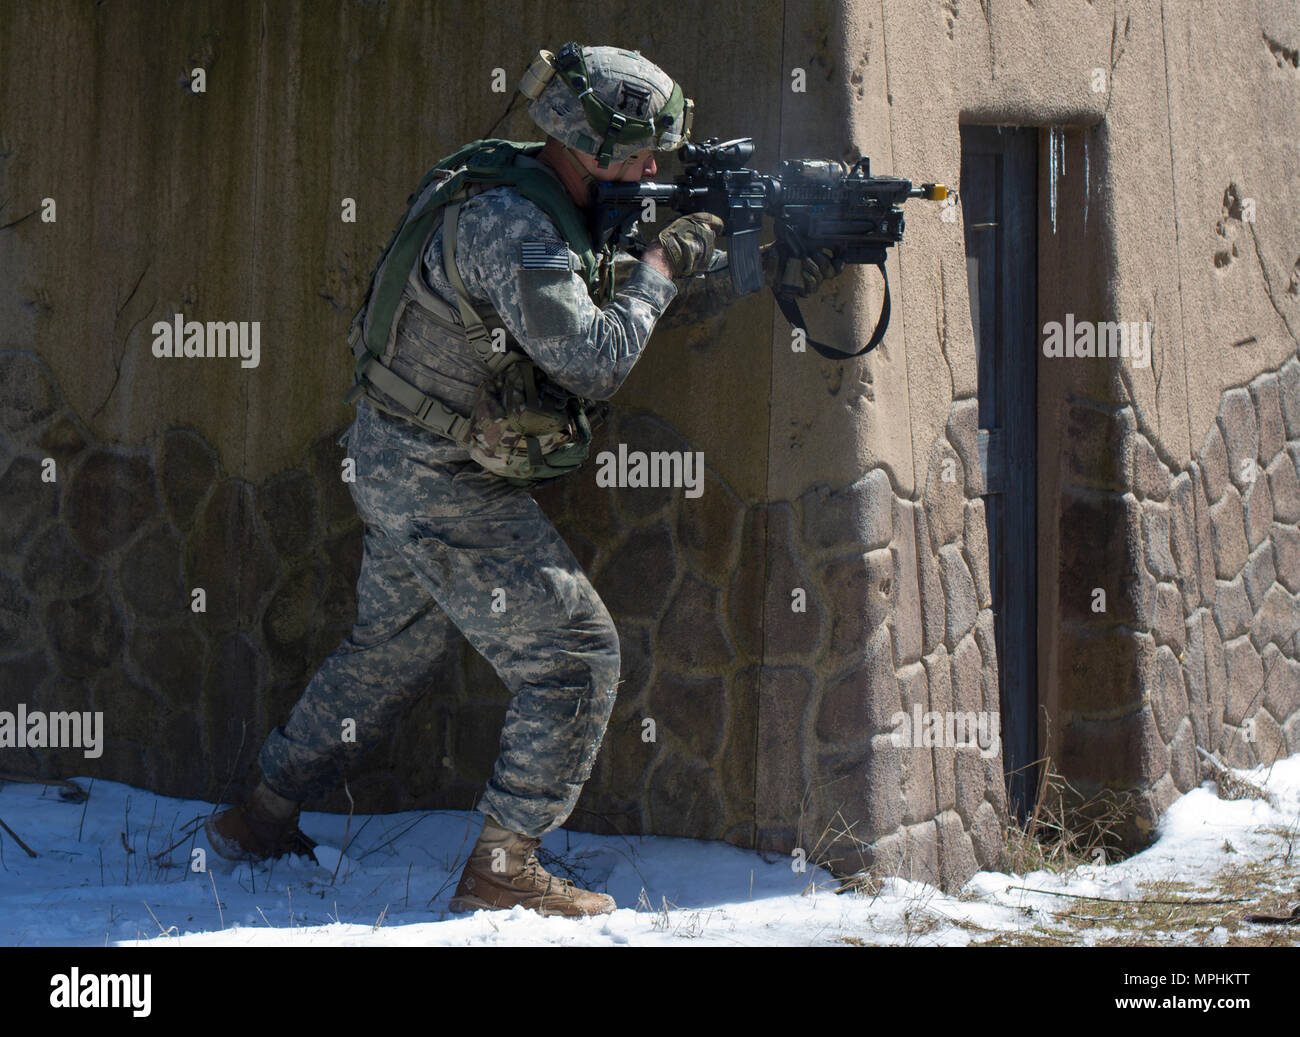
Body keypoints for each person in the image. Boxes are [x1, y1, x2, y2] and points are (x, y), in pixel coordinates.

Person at [205, 42, 841, 917]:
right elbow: (590, 356)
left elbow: (575, 293)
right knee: (578, 658)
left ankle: (261, 813)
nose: (657, 167)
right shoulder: (515, 222)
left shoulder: (507, 184)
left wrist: (732, 244)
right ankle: (503, 866)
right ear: (588, 144)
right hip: (436, 477)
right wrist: (664, 264)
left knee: (389, 653)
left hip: (396, 459)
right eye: (644, 152)